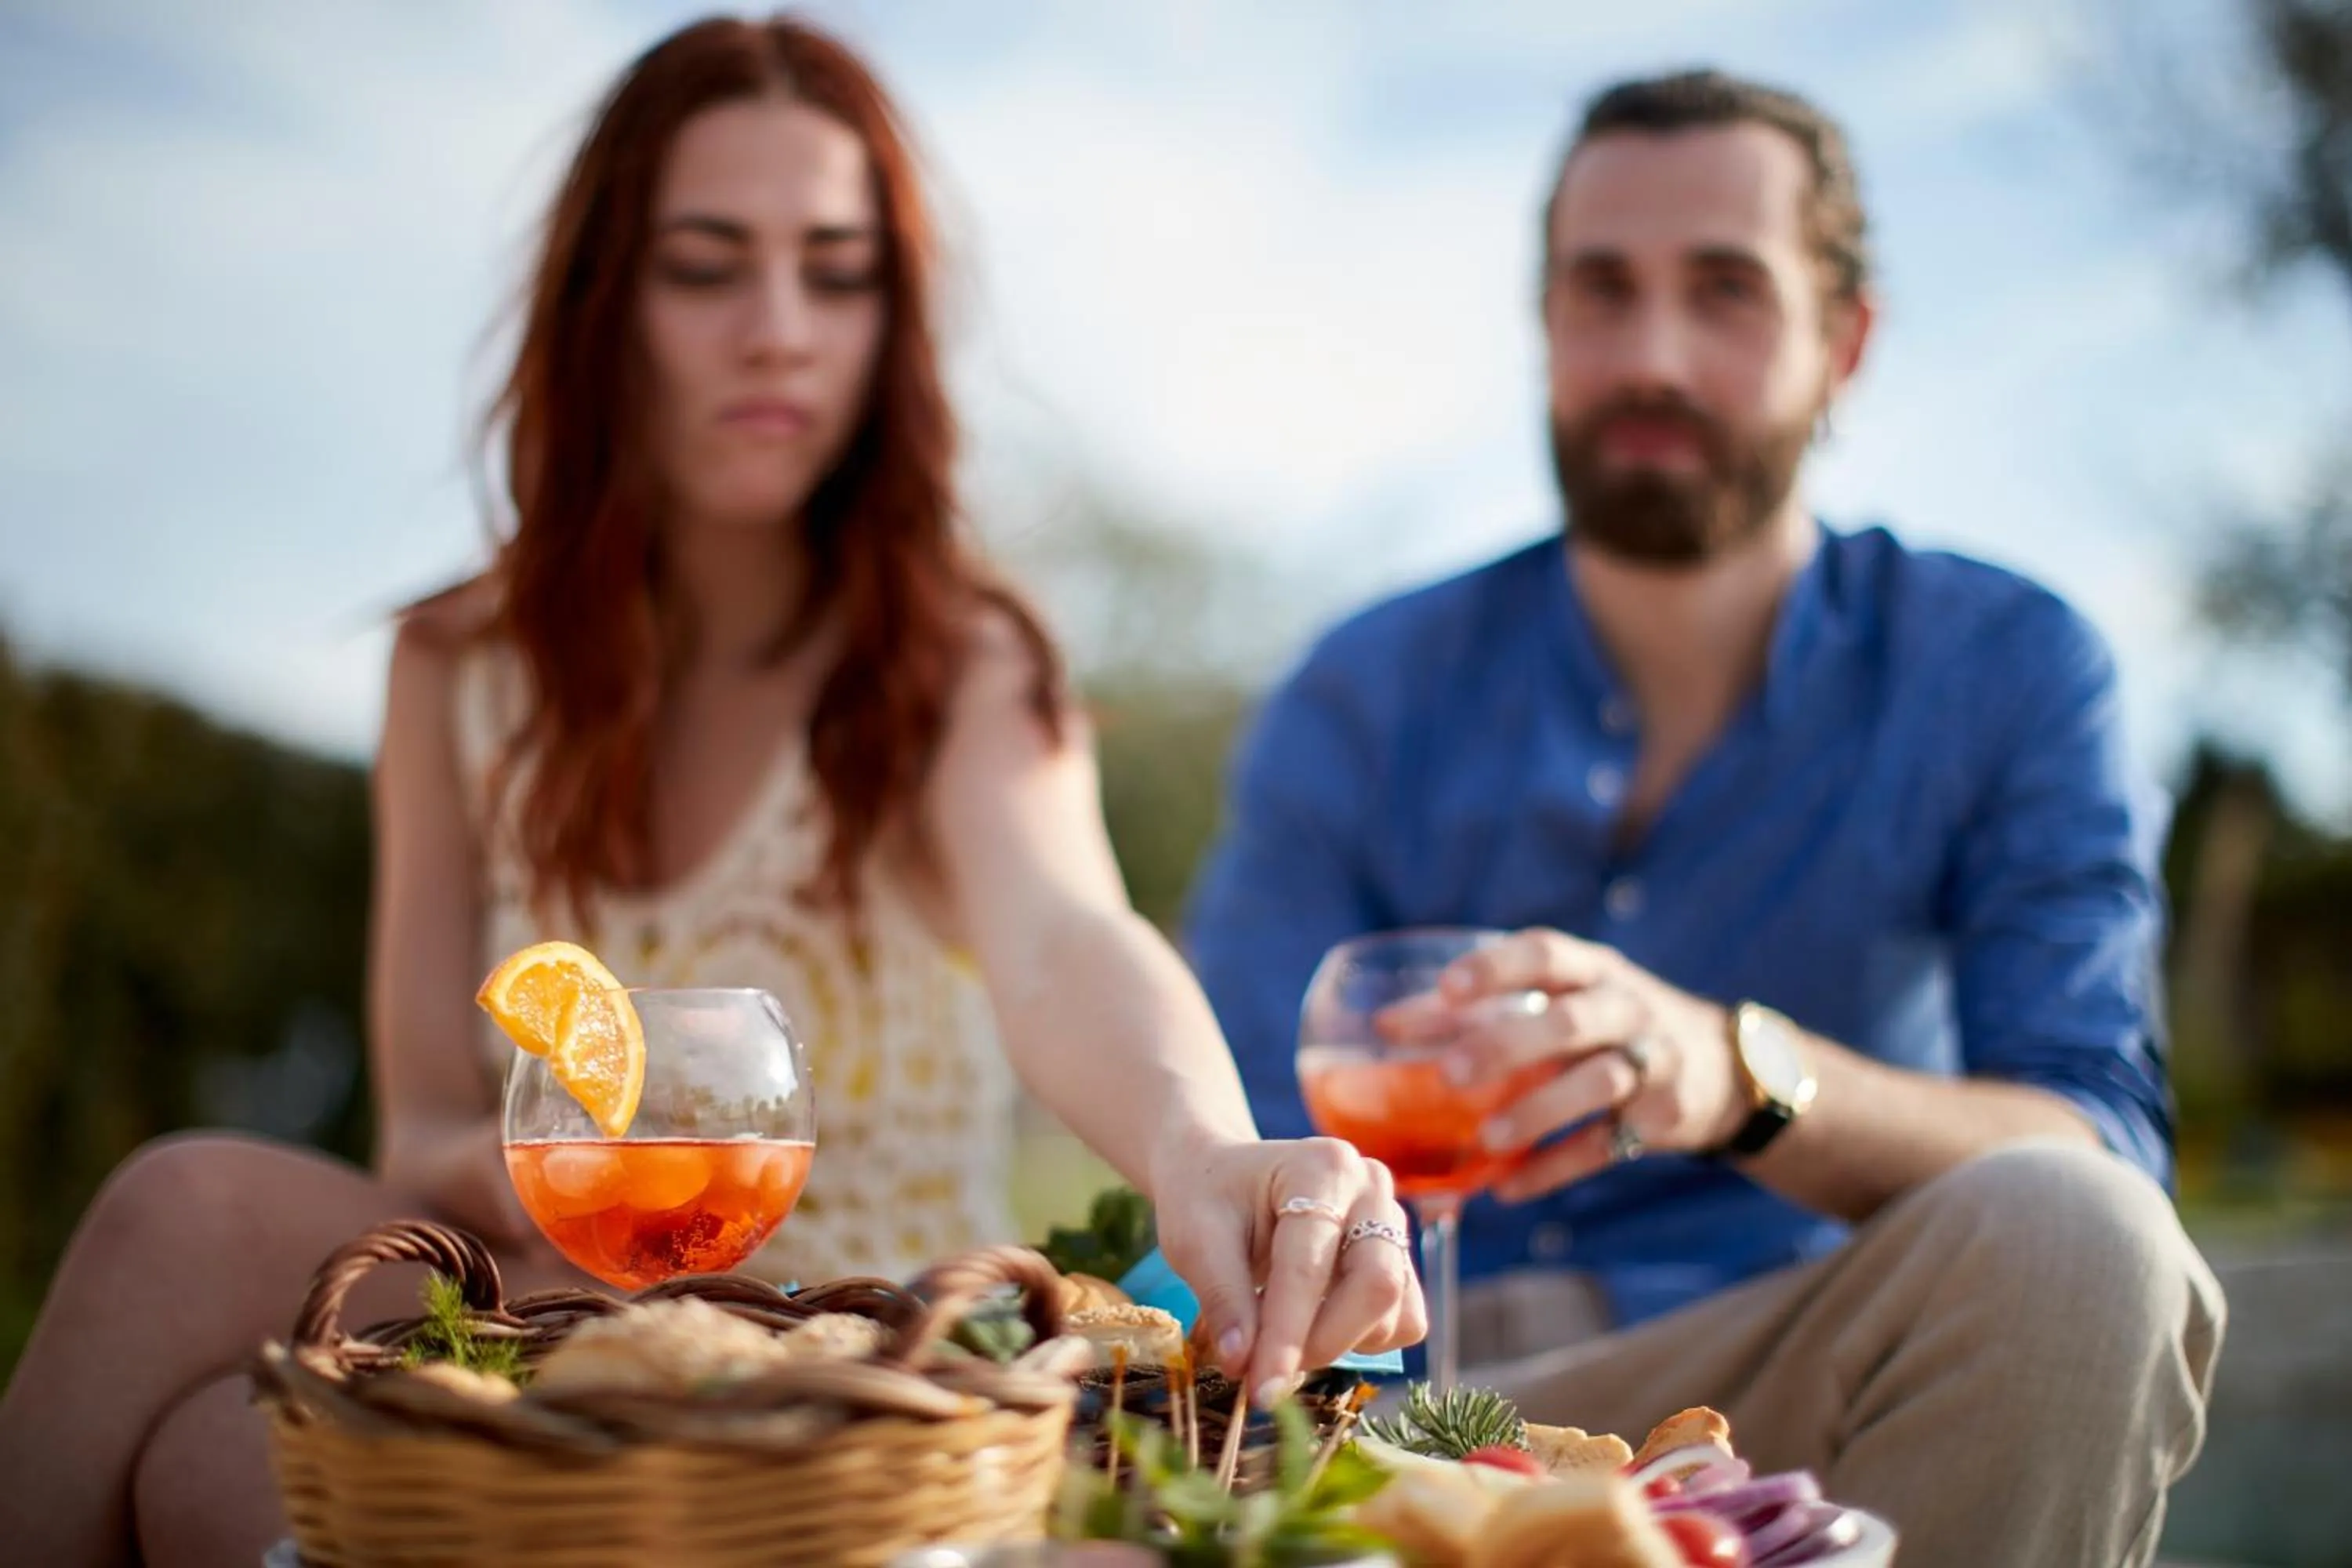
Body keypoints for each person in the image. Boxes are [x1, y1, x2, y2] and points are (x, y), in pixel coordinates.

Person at [0, 16, 1421, 1566]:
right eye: (705, 265)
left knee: (238, 1456)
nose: (777, 329)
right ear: (609, 302)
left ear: (896, 316)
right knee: (187, 1265)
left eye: (837, 269)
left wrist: (1200, 1149)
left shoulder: (951, 657)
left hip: (875, 1382)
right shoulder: (455, 665)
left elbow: (1063, 936)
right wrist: (587, 1181)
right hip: (561, 1324)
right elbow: (416, 1127)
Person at [1185, 68, 2223, 1568]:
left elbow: (2093, 1138)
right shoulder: (1365, 687)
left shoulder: (2003, 666)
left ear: (1843, 345)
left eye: (1726, 293)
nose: (1652, 355)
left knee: (2087, 1245)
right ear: (1546, 328)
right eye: (1601, 292)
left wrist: (1738, 1074)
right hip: (1394, 1410)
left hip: (1788, 1374)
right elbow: (1232, 1123)